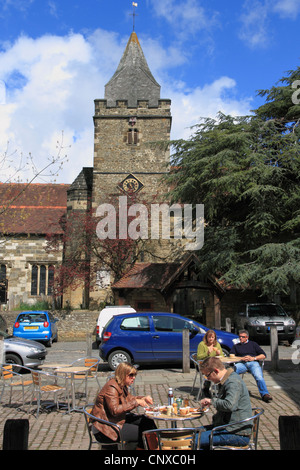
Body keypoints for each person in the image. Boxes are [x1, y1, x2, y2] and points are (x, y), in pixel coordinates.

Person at [91, 362, 156, 449]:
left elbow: (130, 399)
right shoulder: (112, 388)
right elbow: (115, 410)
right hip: (105, 429)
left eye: (134, 375)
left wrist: (143, 398)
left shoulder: (122, 385)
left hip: (114, 421)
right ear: (122, 374)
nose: (133, 378)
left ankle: (153, 447)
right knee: (144, 433)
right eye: (131, 375)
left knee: (147, 421)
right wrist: (137, 402)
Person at [198, 357, 253, 450]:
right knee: (195, 432)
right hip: (229, 427)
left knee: (194, 440)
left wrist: (212, 401)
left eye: (208, 375)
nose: (208, 378)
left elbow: (229, 405)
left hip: (237, 433)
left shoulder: (232, 382)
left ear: (215, 371)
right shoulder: (226, 379)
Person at [230, 329, 272, 403]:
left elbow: (263, 355)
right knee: (231, 373)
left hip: (253, 363)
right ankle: (232, 392)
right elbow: (231, 355)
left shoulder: (253, 344)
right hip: (241, 363)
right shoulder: (236, 346)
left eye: (242, 337)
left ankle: (265, 394)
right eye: (239, 337)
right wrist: (241, 358)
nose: (240, 338)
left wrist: (253, 358)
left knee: (259, 376)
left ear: (247, 337)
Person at [197, 329, 224, 397]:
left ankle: (221, 389)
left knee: (223, 371)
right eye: (209, 337)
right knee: (211, 371)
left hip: (215, 365)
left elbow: (222, 356)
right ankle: (206, 388)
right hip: (204, 365)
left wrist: (218, 354)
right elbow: (199, 357)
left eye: (212, 337)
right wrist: (207, 353)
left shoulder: (216, 344)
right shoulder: (202, 344)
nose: (211, 339)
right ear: (206, 337)